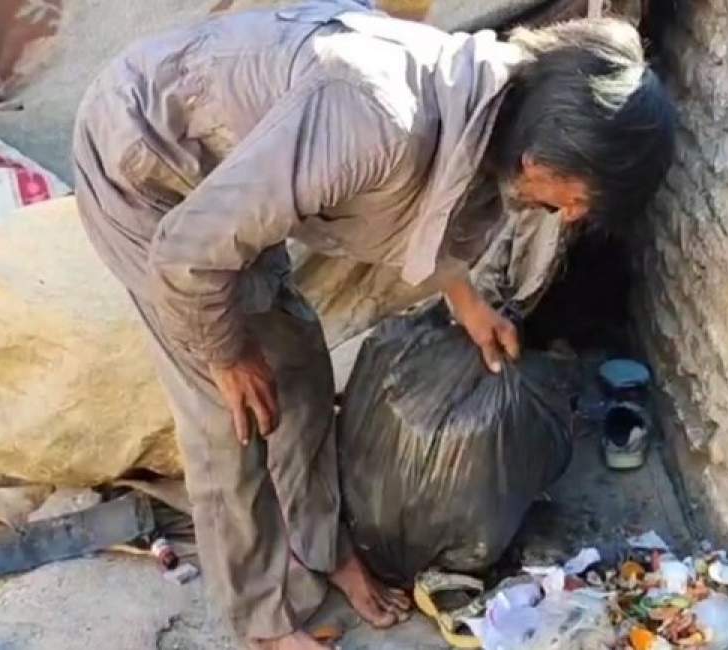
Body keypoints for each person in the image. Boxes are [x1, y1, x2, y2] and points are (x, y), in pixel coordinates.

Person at [72, 1, 674, 648]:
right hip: (144, 166)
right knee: (230, 415)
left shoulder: (495, 106)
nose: (574, 216)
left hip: (224, 180)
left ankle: (322, 548)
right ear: (542, 158)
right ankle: (264, 623)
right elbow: (187, 254)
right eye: (580, 197)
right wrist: (226, 355)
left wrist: (467, 302)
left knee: (298, 368)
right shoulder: (376, 120)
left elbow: (439, 200)